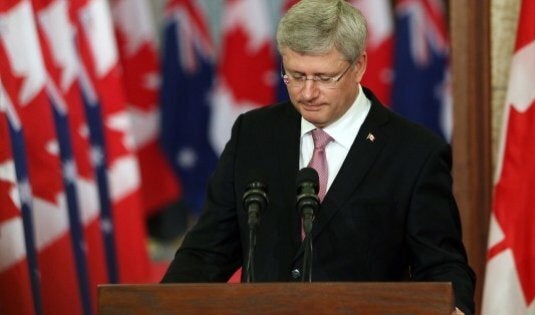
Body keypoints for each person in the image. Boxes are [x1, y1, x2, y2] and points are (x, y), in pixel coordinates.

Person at [162, 0, 476, 313]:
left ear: (358, 66)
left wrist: (456, 307)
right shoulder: (254, 134)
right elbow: (207, 252)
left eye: (324, 78)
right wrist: (162, 307)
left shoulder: (414, 152)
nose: (307, 93)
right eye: (295, 75)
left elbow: (442, 266)